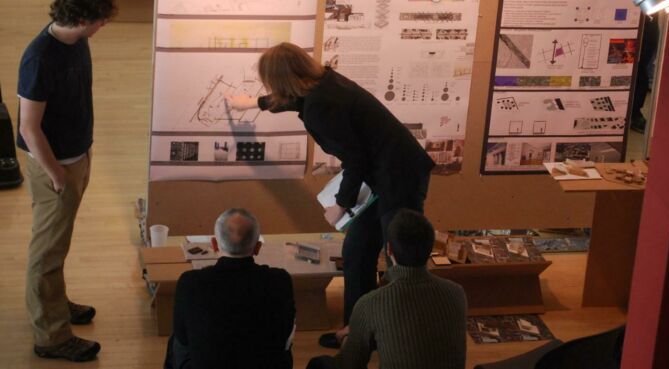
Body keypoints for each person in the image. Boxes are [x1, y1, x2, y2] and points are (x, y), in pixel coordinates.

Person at [227, 42, 434, 348]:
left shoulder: (321, 107)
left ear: (282, 79)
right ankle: (358, 331)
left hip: (398, 177)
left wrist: (341, 205)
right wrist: (254, 104)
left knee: (400, 262)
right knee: (357, 252)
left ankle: (404, 337)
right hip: (383, 173)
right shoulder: (322, 81)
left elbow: (356, 160)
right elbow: (294, 98)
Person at [18, 0, 117, 362]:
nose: (103, 25)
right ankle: (52, 336)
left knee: (57, 243)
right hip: (55, 169)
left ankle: (55, 304)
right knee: (46, 253)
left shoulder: (77, 41)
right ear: (82, 18)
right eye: (100, 19)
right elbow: (29, 126)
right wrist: (58, 175)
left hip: (77, 157)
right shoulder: (40, 57)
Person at [307, 210, 467, 369]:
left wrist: (347, 337)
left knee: (318, 364)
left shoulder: (371, 303)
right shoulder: (457, 293)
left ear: (388, 250)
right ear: (430, 248)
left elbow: (348, 364)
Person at [167, 208, 296, 369]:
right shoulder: (280, 281)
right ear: (257, 247)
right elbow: (285, 331)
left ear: (214, 244)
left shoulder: (190, 282)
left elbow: (183, 335)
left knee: (176, 340)